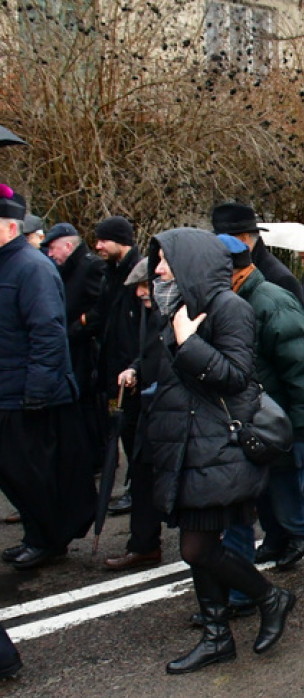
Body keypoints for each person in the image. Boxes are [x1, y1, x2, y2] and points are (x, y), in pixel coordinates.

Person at [146, 228, 295, 674]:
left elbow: (235, 377)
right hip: (186, 446)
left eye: (166, 261)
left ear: (190, 262)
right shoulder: (176, 306)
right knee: (197, 543)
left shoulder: (230, 308)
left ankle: (271, 597)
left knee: (197, 548)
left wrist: (188, 343)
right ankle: (217, 636)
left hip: (218, 447)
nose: (157, 269)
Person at [219, 234, 304, 599]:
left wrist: (302, 436)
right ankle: (239, 592)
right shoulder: (230, 301)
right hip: (249, 427)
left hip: (276, 428)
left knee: (292, 512)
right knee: (240, 513)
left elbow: (303, 374)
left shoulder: (270, 302)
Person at [0, 185, 96, 570]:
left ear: (9, 228)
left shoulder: (31, 267)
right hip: (10, 390)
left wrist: (36, 392)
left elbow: (48, 332)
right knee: (15, 475)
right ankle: (37, 535)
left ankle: (47, 539)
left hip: (28, 394)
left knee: (34, 475)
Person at [103, 260, 164, 571]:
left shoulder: (183, 310)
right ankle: (144, 544)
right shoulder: (150, 313)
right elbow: (149, 351)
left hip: (173, 412)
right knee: (141, 476)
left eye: (146, 285)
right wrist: (135, 369)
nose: (141, 293)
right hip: (148, 408)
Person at [90, 216, 143, 513]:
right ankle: (130, 486)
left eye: (103, 240)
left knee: (135, 432)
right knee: (122, 430)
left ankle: (137, 489)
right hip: (114, 369)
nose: (98, 245)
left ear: (120, 240)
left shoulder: (137, 274)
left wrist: (136, 365)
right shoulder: (108, 273)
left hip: (132, 370)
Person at [44, 223, 105, 473]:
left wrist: (77, 327)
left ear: (68, 246)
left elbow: (100, 309)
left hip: (85, 347)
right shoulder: (69, 269)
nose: (50, 254)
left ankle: (96, 458)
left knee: (88, 405)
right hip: (75, 346)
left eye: (53, 248)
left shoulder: (89, 267)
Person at [210, 202, 304, 308]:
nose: (217, 244)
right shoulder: (233, 270)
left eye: (222, 239)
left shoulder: (280, 278)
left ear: (244, 238)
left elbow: (292, 321)